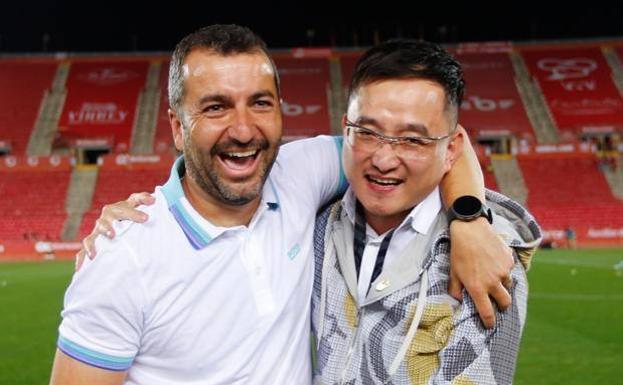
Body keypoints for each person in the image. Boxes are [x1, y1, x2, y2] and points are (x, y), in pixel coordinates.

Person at [51, 25, 513, 385]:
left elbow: (429, 146)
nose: (244, 129)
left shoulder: (300, 171)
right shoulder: (122, 257)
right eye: (215, 107)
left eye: (260, 103)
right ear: (176, 126)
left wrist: (469, 219)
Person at [310, 39, 542, 384]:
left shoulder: (489, 260)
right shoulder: (316, 224)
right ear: (346, 129)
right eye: (367, 133)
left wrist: (468, 222)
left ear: (452, 150)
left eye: (413, 140)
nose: (384, 160)